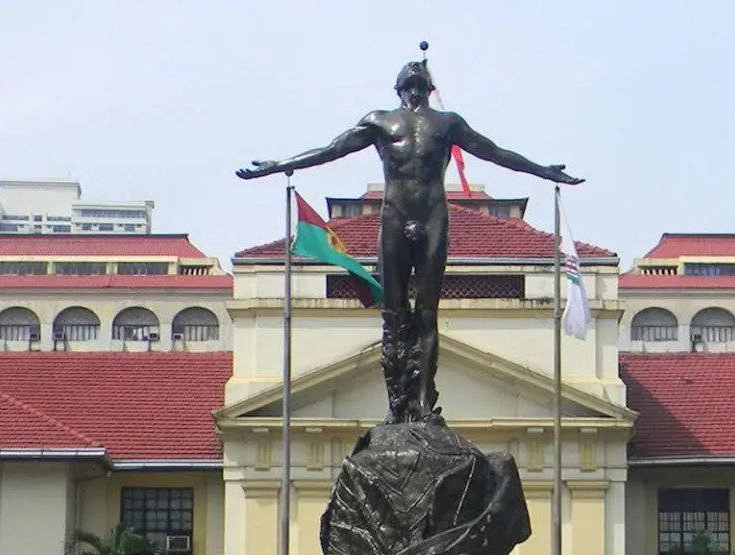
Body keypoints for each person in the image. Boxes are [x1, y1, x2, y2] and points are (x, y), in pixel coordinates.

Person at [237, 59, 581, 422]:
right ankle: (396, 405)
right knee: (394, 316)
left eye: (421, 83)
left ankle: (422, 403)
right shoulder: (380, 121)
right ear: (399, 89)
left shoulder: (448, 124)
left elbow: (494, 152)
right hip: (394, 217)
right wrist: (279, 164)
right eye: (409, 83)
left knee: (427, 314)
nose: (415, 89)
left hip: (432, 217)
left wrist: (543, 171)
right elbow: (331, 150)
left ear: (429, 89)